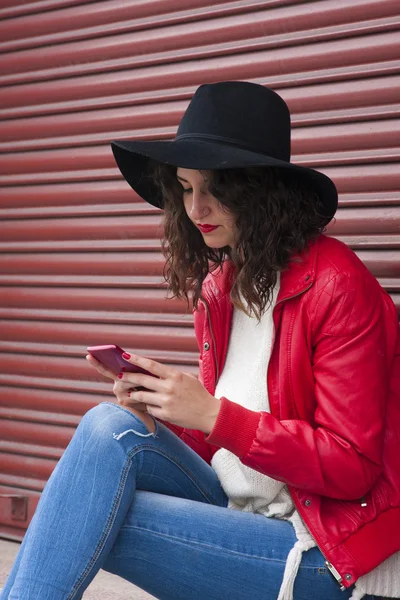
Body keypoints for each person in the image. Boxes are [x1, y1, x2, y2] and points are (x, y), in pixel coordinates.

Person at [1, 82, 399, 600]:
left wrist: (213, 414)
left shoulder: (337, 283)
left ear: (262, 189)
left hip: (322, 551)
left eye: (215, 189)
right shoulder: (222, 289)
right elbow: (226, 449)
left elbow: (352, 468)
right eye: (185, 188)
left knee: (92, 508)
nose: (197, 208)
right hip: (242, 511)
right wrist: (164, 409)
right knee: (109, 426)